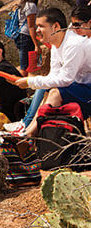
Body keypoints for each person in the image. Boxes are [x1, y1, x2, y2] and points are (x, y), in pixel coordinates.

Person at [12, 8, 91, 136]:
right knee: (47, 89)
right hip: (82, 85)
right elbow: (54, 75)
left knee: (54, 92)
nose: (37, 30)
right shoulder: (56, 44)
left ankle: (30, 135)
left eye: (41, 26)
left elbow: (65, 79)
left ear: (55, 26)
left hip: (87, 88)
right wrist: (33, 82)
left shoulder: (73, 44)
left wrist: (29, 81)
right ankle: (28, 130)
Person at [14, 0, 42, 76]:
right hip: (26, 37)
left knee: (26, 65)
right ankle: (20, 88)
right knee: (25, 67)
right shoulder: (31, 6)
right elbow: (31, 26)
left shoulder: (23, 4)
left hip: (21, 36)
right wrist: (36, 45)